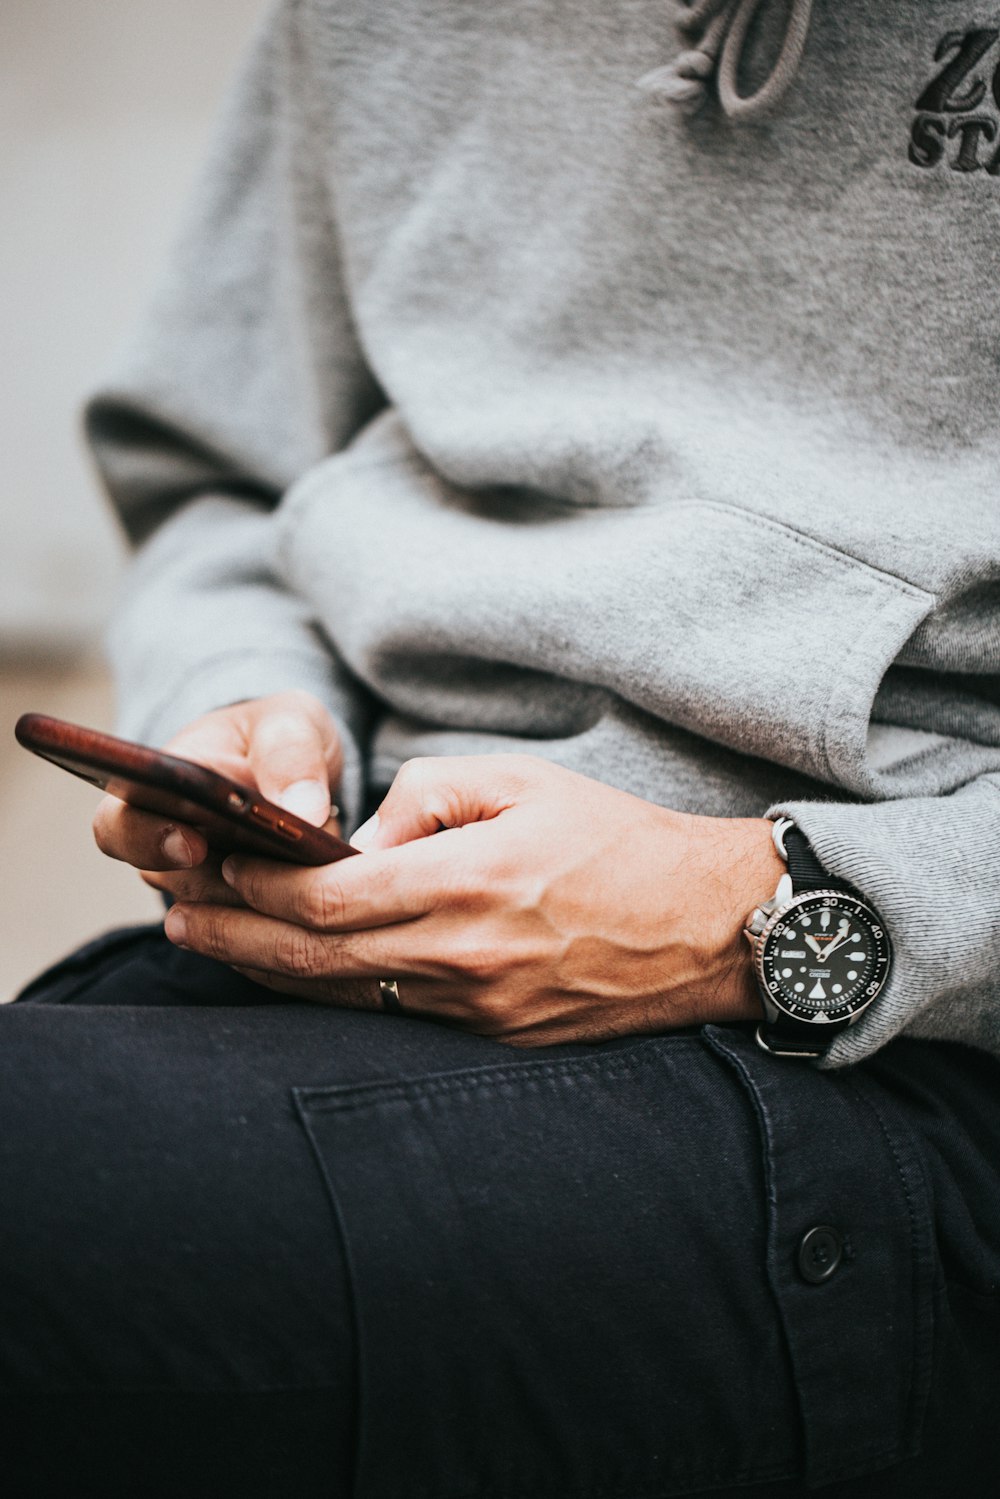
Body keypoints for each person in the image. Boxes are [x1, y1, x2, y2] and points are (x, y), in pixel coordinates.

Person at [3, 1, 999, 1493]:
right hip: (340, 959)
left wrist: (765, 919)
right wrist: (251, 701)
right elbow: (225, 473)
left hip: (899, 1058)